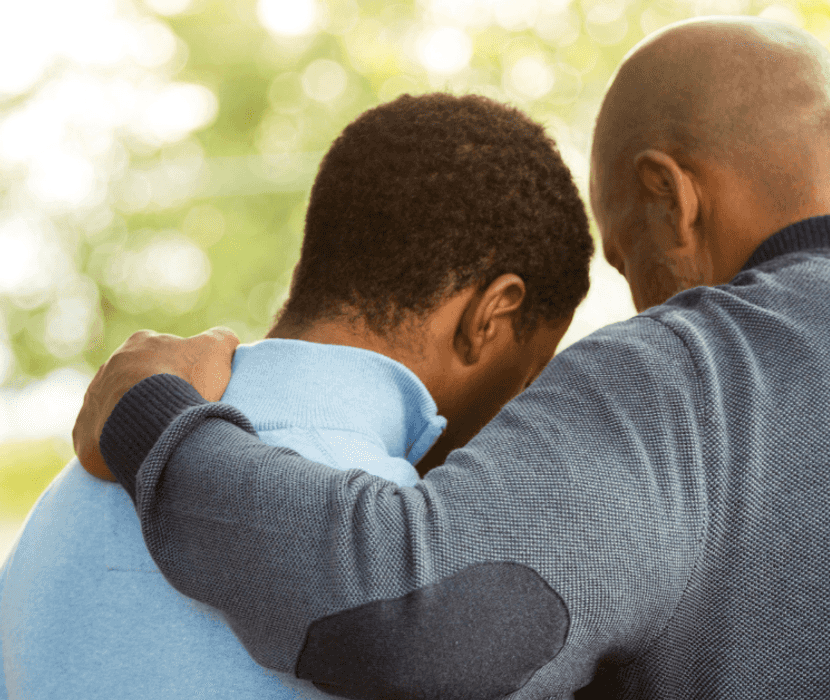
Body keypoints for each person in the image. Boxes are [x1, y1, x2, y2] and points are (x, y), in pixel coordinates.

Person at [74, 16, 830, 700]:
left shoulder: (699, 377)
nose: (637, 308)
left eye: (630, 266)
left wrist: (157, 425)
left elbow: (404, 609)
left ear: (666, 196)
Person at [0, 92, 591, 699]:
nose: (518, 403)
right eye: (529, 373)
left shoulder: (68, 496)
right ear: (491, 315)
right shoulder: (415, 578)